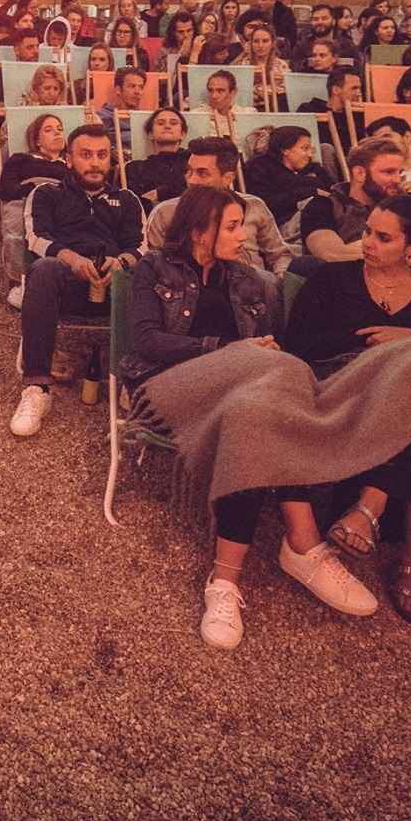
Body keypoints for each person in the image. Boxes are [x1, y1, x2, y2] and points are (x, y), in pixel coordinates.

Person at [279, 193, 411, 628]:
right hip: (339, 388)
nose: (368, 242)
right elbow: (298, 351)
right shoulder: (330, 281)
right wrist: (368, 347)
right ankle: (403, 550)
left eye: (383, 237)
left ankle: (376, 510)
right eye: (368, 231)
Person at [118, 188, 284, 647]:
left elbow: (266, 344)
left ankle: (229, 581)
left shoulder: (253, 280)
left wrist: (253, 355)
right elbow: (147, 341)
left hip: (237, 391)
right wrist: (225, 351)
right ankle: (298, 546)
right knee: (254, 414)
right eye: (231, 227)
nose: (242, 236)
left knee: (259, 414)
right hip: (170, 384)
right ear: (198, 232)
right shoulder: (154, 268)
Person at [9, 124, 140, 439]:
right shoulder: (47, 194)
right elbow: (36, 239)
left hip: (114, 285)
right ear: (68, 159)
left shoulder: (127, 199)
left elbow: (141, 247)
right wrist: (74, 261)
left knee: (146, 276)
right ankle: (37, 387)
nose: (94, 163)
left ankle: (135, 382)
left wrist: (119, 263)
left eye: (102, 155)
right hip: (65, 282)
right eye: (85, 155)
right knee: (43, 269)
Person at [142, 137, 289, 277]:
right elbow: (156, 265)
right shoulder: (165, 212)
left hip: (254, 290)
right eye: (189, 171)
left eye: (202, 173)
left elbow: (279, 255)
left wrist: (279, 279)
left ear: (228, 178)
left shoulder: (253, 205)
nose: (192, 180)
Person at [299, 137, 408, 265]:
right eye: (389, 172)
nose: (397, 180)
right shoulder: (322, 206)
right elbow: (330, 254)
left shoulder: (405, 204)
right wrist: (402, 249)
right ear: (359, 173)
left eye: (400, 172)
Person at [240, 124, 334, 234]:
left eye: (310, 149)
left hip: (320, 221)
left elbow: (332, 192)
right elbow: (263, 205)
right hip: (281, 225)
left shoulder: (313, 168)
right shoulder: (260, 168)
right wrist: (309, 191)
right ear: (285, 150)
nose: (309, 154)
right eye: (304, 148)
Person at [124, 107, 188, 205]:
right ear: (150, 134)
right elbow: (137, 204)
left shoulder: (192, 161)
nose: (167, 126)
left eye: (173, 123)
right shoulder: (135, 168)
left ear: (182, 134)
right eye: (160, 123)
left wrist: (160, 193)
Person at [1, 112, 70, 201]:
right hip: (28, 203)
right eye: (48, 130)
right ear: (37, 141)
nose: (57, 132)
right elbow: (6, 191)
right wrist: (34, 189)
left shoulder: (73, 164)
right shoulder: (20, 160)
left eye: (60, 129)